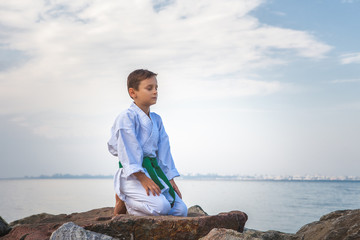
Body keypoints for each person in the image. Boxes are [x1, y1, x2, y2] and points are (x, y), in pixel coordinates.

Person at [107, 69, 187, 217]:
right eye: (149, 88)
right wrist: (142, 178)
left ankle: (134, 201)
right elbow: (127, 149)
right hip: (132, 175)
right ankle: (126, 199)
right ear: (133, 92)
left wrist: (170, 179)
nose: (155, 92)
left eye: (156, 88)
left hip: (154, 171)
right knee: (161, 208)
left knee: (181, 210)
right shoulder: (126, 117)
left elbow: (164, 151)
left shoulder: (156, 119)